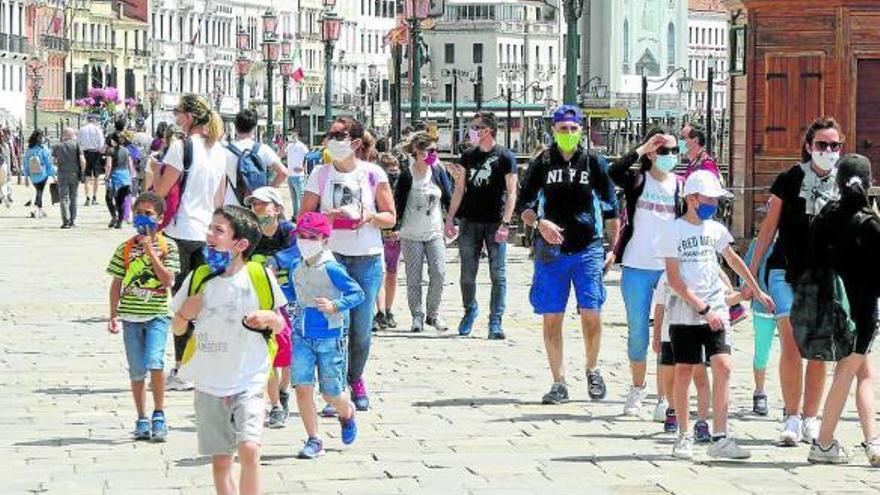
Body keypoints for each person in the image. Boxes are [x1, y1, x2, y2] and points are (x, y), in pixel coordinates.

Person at [170, 205, 287, 495]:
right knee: (222, 461)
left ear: (241, 244)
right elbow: (176, 329)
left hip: (250, 378)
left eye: (218, 230)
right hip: (209, 381)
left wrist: (268, 318)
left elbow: (281, 324)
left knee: (249, 449)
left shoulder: (260, 276)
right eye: (210, 227)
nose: (209, 234)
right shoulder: (198, 277)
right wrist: (185, 313)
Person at [660, 170, 775, 460]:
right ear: (693, 198)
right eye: (709, 199)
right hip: (685, 313)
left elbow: (732, 260)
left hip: (716, 310)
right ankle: (684, 434)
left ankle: (720, 435)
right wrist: (703, 308)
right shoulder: (672, 231)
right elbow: (675, 280)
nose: (713, 204)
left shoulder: (716, 229)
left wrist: (756, 289)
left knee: (723, 366)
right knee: (684, 370)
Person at [747, 116, 842, 446]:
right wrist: (751, 274)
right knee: (790, 339)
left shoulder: (846, 182)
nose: (828, 151)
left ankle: (811, 419)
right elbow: (768, 229)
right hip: (784, 271)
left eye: (834, 145)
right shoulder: (790, 178)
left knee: (817, 350)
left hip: (824, 276)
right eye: (822, 145)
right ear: (808, 147)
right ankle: (790, 415)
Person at [517, 105, 620, 403]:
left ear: (581, 131)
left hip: (587, 246)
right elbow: (524, 206)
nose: (569, 134)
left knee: (591, 311)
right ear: (554, 130)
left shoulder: (593, 162)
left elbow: (611, 207)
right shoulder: (542, 163)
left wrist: (613, 249)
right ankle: (558, 380)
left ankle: (592, 367)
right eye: (563, 129)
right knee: (552, 315)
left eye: (574, 129)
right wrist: (538, 222)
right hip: (552, 249)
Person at [300, 116, 396, 412]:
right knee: (335, 325)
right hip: (332, 257)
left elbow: (390, 217)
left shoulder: (372, 172)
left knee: (361, 328)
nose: (331, 139)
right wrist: (328, 218)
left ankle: (357, 378)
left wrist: (369, 217)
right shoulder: (320, 173)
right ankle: (336, 387)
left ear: (354, 143)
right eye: (330, 133)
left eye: (339, 135)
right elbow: (304, 218)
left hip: (366, 256)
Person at [806, 154, 880, 466]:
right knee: (847, 372)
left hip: (830, 307)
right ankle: (822, 443)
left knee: (864, 373)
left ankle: (873, 441)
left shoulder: (826, 216)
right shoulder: (869, 223)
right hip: (861, 312)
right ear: (870, 181)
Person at [153, 94, 228, 391]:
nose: (175, 116)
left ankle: (183, 369)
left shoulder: (180, 147)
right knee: (205, 303)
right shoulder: (219, 150)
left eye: (177, 112)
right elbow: (220, 199)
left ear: (188, 117)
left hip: (180, 231)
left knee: (182, 304)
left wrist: (151, 173)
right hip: (207, 234)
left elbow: (161, 190)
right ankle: (208, 366)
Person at [609, 127, 684, 416]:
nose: (669, 156)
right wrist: (642, 148)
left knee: (667, 334)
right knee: (638, 332)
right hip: (637, 264)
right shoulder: (638, 179)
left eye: (673, 151)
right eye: (662, 150)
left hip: (668, 268)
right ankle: (637, 388)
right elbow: (612, 172)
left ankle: (664, 397)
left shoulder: (680, 184)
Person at [287, 212, 364, 459]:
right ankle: (314, 438)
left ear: (324, 240)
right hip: (300, 334)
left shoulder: (332, 268)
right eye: (301, 236)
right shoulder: (296, 267)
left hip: (329, 337)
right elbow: (291, 291)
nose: (305, 241)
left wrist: (335, 305)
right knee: (302, 387)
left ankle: (347, 411)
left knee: (330, 393)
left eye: (312, 237)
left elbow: (358, 294)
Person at [106, 192, 180, 441]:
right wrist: (113, 314)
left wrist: (150, 251)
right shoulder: (125, 249)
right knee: (136, 370)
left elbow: (168, 280)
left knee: (155, 363)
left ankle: (159, 413)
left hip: (157, 314)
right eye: (139, 213)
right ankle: (141, 416)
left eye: (148, 214)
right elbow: (116, 283)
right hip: (130, 318)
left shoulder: (168, 247)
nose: (143, 218)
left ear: (159, 218)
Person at [444, 111, 517, 339]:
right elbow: (460, 188)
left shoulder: (505, 156)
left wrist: (506, 222)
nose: (472, 130)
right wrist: (450, 217)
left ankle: (495, 320)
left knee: (498, 273)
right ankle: (470, 309)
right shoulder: (468, 156)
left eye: (476, 127)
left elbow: (512, 191)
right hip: (470, 219)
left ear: (487, 130)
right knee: (467, 273)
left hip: (495, 220)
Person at [245, 186, 297, 429]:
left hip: (290, 299)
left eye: (261, 204)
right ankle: (275, 405)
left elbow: (299, 251)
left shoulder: (288, 231)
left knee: (287, 355)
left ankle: (283, 391)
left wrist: (276, 261)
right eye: (253, 204)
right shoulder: (251, 233)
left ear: (276, 208)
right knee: (268, 354)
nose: (256, 208)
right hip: (261, 301)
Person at [393, 132, 453, 332]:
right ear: (417, 153)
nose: (433, 154)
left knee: (439, 273)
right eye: (430, 151)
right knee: (414, 277)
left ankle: (433, 314)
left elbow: (448, 197)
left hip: (434, 231)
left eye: (435, 151)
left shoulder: (437, 171)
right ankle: (416, 316)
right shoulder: (406, 175)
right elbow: (398, 204)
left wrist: (453, 221)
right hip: (411, 233)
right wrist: (394, 228)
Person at [651, 274, 712, 440]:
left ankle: (702, 421)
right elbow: (660, 306)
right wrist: (656, 336)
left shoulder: (703, 271)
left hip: (696, 331)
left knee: (700, 377)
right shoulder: (665, 276)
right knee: (669, 377)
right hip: (669, 334)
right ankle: (673, 408)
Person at [741, 232, 777, 417]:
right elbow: (745, 269)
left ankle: (793, 400)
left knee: (793, 353)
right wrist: (746, 288)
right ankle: (759, 391)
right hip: (763, 307)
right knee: (762, 352)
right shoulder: (758, 243)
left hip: (790, 307)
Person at [223, 109, 287, 207]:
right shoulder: (263, 149)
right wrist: (268, 190)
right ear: (254, 128)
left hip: (232, 204)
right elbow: (283, 172)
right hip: (257, 204)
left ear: (235, 127)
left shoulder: (225, 152)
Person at [375, 152, 402, 330]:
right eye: (389, 172)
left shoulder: (401, 186)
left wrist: (399, 229)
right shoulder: (374, 185)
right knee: (379, 274)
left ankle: (388, 310)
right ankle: (381, 311)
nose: (393, 176)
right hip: (376, 235)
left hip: (395, 235)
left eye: (395, 172)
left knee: (392, 272)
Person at [52, 127, 86, 228]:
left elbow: (54, 161)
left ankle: (65, 221)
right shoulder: (76, 145)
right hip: (74, 174)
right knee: (74, 197)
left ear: (64, 135)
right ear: (71, 135)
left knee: (64, 198)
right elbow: (82, 160)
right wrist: (82, 171)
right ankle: (72, 220)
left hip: (62, 174)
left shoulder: (57, 146)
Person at [104, 132, 134, 229]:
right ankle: (120, 222)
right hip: (125, 176)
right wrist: (131, 176)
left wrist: (106, 177)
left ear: (113, 141)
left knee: (109, 198)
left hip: (115, 176)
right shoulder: (126, 150)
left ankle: (114, 216)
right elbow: (130, 164)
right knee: (120, 200)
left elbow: (109, 165)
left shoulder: (110, 151)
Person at [22, 130, 54, 219]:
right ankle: (36, 209)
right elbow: (48, 163)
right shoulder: (43, 148)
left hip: (33, 175)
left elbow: (25, 164)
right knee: (40, 192)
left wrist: (26, 176)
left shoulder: (29, 150)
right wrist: (52, 174)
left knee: (39, 191)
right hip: (43, 173)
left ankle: (40, 210)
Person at [79, 113, 105, 206]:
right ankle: (94, 197)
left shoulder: (82, 129)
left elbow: (79, 143)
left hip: (86, 153)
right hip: (96, 153)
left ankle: (87, 197)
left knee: (87, 176)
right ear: (95, 120)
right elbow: (101, 144)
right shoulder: (98, 130)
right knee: (96, 177)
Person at [286, 130, 309, 219]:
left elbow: (307, 157)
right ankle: (295, 215)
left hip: (299, 175)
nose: (291, 136)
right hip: (290, 175)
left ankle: (303, 215)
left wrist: (303, 168)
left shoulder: (301, 146)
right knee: (293, 197)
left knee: (301, 196)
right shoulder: (289, 146)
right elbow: (282, 153)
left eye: (292, 134)